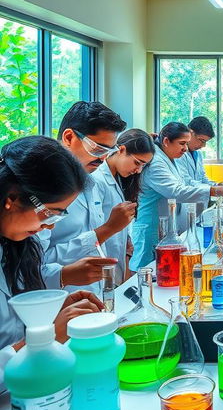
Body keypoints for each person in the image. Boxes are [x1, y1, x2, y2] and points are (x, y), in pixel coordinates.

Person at [1, 136, 104, 391]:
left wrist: (47, 309)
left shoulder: (16, 244)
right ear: (11, 198)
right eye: (49, 213)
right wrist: (43, 339)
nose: (48, 226)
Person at [40, 101, 131, 293]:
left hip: (94, 294)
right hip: (61, 297)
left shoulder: (91, 181)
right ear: (69, 137)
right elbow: (39, 260)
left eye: (108, 151)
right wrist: (107, 229)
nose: (103, 158)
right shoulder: (41, 188)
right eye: (98, 149)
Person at [132, 122, 223, 269]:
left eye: (187, 144)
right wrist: (214, 191)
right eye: (182, 143)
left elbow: (186, 183)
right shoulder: (156, 162)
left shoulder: (169, 159)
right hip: (151, 226)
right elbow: (176, 192)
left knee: (161, 272)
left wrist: (215, 187)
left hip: (166, 225)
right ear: (166, 141)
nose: (185, 149)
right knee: (144, 272)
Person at [92, 129, 155, 284]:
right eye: (137, 163)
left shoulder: (122, 179)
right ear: (121, 150)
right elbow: (95, 227)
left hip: (116, 260)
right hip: (97, 261)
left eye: (143, 166)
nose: (138, 170)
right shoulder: (97, 178)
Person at [176, 116, 215, 187]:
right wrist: (213, 190)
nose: (203, 145)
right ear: (190, 133)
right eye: (202, 140)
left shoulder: (198, 153)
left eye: (206, 142)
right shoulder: (178, 153)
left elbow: (202, 178)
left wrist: (217, 185)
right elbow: (186, 181)